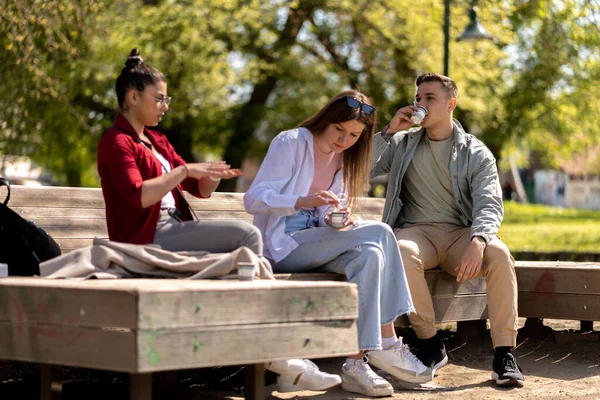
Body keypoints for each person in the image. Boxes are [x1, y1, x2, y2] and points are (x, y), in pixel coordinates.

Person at [97, 48, 338, 392]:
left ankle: (274, 351)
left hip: (170, 230)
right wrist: (184, 170)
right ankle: (277, 352)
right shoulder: (116, 141)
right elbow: (138, 196)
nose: (165, 106)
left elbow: (200, 190)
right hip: (143, 236)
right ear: (133, 97)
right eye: (160, 99)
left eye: (167, 99)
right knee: (245, 237)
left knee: (241, 250)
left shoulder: (158, 141)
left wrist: (211, 174)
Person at [244, 90, 433, 397]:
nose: (345, 140)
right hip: (283, 245)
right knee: (382, 233)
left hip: (317, 241)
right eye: (339, 130)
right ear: (326, 120)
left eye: (355, 135)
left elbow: (332, 208)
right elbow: (254, 199)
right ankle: (387, 339)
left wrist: (339, 218)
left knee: (370, 255)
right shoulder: (291, 142)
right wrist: (300, 201)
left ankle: (356, 365)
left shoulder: (345, 156)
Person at [371, 73, 524, 387]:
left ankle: (504, 354)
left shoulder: (475, 151)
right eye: (418, 98)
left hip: (460, 234)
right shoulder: (402, 143)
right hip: (417, 233)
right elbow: (361, 168)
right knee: (400, 250)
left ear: (451, 104)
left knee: (499, 254)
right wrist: (388, 131)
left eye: (430, 98)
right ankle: (429, 343)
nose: (420, 104)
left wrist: (479, 239)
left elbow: (490, 201)